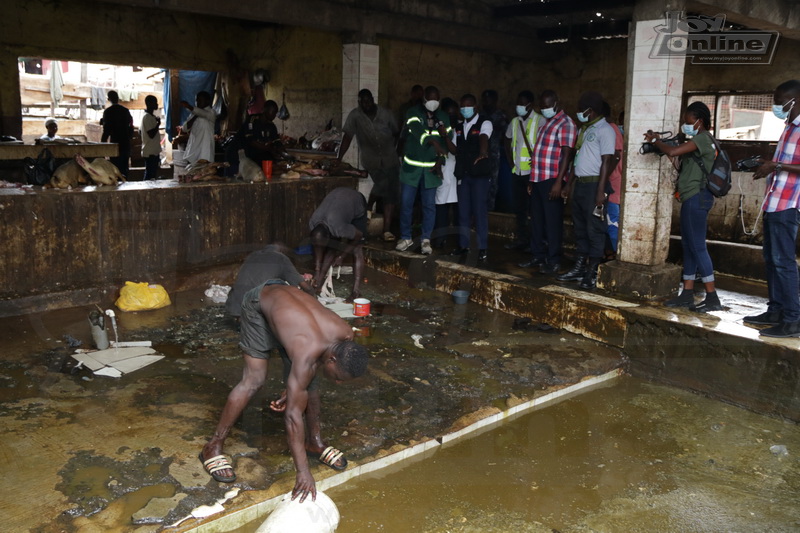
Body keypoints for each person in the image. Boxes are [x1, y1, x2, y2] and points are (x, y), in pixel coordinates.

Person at [200, 283, 369, 503]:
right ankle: (212, 447)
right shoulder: (308, 353)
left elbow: (313, 366)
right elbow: (292, 417)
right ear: (332, 359)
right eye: (338, 377)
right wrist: (303, 472)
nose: (337, 382)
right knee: (254, 379)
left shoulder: (346, 335)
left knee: (308, 384)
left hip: (290, 312)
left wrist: (294, 388)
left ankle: (314, 443)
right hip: (259, 302)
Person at [644, 101, 722, 312]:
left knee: (697, 246)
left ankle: (712, 297)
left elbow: (675, 150)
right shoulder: (697, 141)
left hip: (698, 197)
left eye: (689, 122)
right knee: (688, 245)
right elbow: (678, 159)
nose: (685, 125)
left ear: (700, 121)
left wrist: (657, 141)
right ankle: (686, 294)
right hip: (691, 197)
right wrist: (666, 150)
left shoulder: (703, 139)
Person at [745, 79, 800, 337]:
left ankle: (793, 319)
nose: (776, 107)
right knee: (771, 260)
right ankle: (776, 310)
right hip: (773, 201)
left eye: (780, 102)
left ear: (794, 101)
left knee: (783, 262)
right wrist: (768, 164)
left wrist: (776, 166)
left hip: (788, 204)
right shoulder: (790, 127)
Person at [558, 91, 616, 289]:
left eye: (581, 109)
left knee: (595, 230)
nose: (578, 113)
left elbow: (607, 161)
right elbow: (577, 160)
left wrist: (601, 191)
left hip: (594, 186)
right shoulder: (584, 130)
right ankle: (579, 267)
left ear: (590, 111)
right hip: (581, 185)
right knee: (580, 228)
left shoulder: (605, 130)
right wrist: (568, 184)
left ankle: (591, 273)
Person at [520, 90, 576, 275]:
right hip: (538, 178)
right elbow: (539, 152)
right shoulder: (547, 123)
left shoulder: (566, 124)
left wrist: (559, 182)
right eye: (541, 107)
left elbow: (567, 154)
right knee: (536, 220)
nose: (544, 110)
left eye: (547, 106)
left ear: (556, 103)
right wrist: (531, 179)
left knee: (552, 222)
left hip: (552, 179)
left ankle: (553, 260)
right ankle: (538, 255)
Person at [339, 89, 400, 242]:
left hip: (390, 158)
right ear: (359, 102)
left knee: (391, 194)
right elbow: (347, 137)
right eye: (363, 102)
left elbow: (397, 132)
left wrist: (397, 151)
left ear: (373, 99)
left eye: (369, 101)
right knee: (383, 184)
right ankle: (369, 206)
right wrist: (338, 157)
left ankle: (386, 230)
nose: (366, 104)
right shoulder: (355, 116)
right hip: (371, 160)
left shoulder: (386, 114)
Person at [396, 85, 450, 256]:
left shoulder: (443, 117)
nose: (433, 103)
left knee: (429, 206)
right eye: (430, 99)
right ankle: (406, 237)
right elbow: (417, 131)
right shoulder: (412, 112)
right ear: (424, 99)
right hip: (411, 168)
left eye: (436, 99)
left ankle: (426, 239)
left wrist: (441, 160)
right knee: (406, 204)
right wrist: (433, 142)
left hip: (431, 170)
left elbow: (446, 143)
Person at [451, 94, 493, 262]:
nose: (464, 109)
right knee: (463, 211)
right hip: (464, 174)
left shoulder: (485, 122)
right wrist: (444, 137)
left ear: (475, 107)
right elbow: (454, 149)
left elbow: (484, 137)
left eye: (467, 106)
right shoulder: (459, 127)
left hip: (480, 175)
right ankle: (463, 245)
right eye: (462, 107)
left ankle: (482, 248)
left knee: (479, 211)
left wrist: (483, 152)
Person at [309, 187, 368, 302]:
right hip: (338, 203)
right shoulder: (313, 223)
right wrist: (316, 272)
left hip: (356, 201)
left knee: (357, 248)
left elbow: (358, 236)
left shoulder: (338, 228)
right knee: (330, 249)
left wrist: (342, 255)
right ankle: (318, 284)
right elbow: (318, 248)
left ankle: (356, 292)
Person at [504, 90, 545, 252]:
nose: (519, 106)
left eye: (522, 103)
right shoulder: (515, 122)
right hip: (517, 172)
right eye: (518, 103)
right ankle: (522, 239)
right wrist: (509, 160)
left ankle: (535, 242)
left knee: (534, 209)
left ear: (531, 105)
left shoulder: (540, 121)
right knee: (519, 209)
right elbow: (506, 139)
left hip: (533, 173)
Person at [225, 244, 314, 318]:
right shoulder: (281, 258)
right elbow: (305, 287)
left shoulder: (252, 255)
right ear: (283, 252)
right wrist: (315, 300)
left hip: (233, 307)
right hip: (253, 312)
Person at [433, 98, 460, 249]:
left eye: (454, 113)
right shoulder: (439, 130)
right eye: (449, 114)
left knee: (456, 208)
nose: (452, 116)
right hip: (443, 171)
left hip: (457, 172)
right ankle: (440, 239)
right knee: (441, 206)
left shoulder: (460, 128)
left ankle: (458, 240)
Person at [480, 89, 509, 211]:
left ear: (495, 101)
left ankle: (490, 208)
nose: (487, 103)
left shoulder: (501, 115)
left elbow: (507, 136)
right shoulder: (480, 116)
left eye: (489, 100)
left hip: (495, 154)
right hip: (480, 154)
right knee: (481, 182)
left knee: (493, 182)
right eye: (485, 100)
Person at [603, 101, 624, 256]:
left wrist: (602, 179)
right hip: (613, 184)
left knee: (612, 224)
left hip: (613, 186)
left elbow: (616, 156)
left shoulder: (611, 130)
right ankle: (610, 253)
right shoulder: (613, 130)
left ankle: (617, 257)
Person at [101, 90, 133, 177]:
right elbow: (131, 125)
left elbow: (106, 131)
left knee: (115, 167)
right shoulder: (125, 111)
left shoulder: (108, 112)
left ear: (108, 99)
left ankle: (117, 185)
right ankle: (125, 183)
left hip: (114, 143)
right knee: (124, 167)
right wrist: (129, 136)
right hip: (125, 142)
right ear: (118, 98)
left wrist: (102, 146)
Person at [181, 91, 217, 165]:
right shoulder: (193, 113)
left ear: (207, 101)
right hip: (193, 150)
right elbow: (184, 128)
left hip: (204, 151)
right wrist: (195, 116)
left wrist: (188, 106)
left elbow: (203, 114)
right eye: (196, 100)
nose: (198, 102)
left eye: (200, 100)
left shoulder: (211, 113)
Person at [141, 95, 161, 181]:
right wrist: (158, 124)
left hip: (153, 151)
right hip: (150, 152)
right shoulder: (147, 117)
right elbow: (151, 134)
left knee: (151, 174)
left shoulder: (150, 116)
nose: (157, 104)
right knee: (150, 174)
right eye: (155, 102)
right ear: (148, 103)